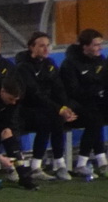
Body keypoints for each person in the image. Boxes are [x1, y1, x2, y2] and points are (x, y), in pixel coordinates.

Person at [14, 32, 78, 181]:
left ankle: (58, 164)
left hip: (49, 108)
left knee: (57, 119)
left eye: (47, 45)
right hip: (26, 109)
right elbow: (34, 94)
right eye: (41, 45)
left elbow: (59, 88)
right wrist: (59, 109)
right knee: (49, 120)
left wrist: (65, 108)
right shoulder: (23, 67)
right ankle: (37, 166)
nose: (46, 49)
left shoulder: (49, 64)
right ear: (31, 47)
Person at [61, 29, 108, 179]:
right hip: (74, 107)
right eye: (96, 45)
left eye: (101, 44)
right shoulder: (70, 64)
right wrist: (96, 91)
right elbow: (73, 91)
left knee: (97, 115)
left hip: (96, 105)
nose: (100, 48)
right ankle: (83, 164)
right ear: (85, 46)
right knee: (95, 119)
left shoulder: (102, 60)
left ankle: (101, 161)